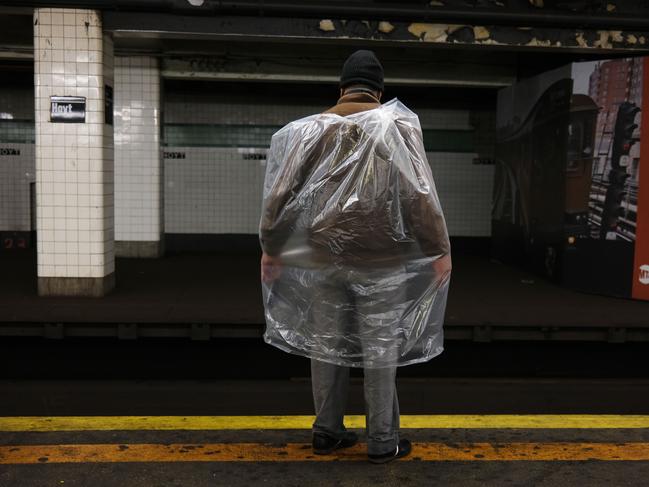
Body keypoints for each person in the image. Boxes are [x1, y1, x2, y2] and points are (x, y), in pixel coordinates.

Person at [259, 50, 451, 464]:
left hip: (323, 261)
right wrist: (438, 249)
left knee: (325, 348)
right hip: (382, 264)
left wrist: (272, 247)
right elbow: (418, 195)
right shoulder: (397, 127)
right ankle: (382, 441)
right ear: (379, 92)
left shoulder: (311, 131)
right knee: (380, 351)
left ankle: (327, 432)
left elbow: (280, 194)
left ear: (342, 87)